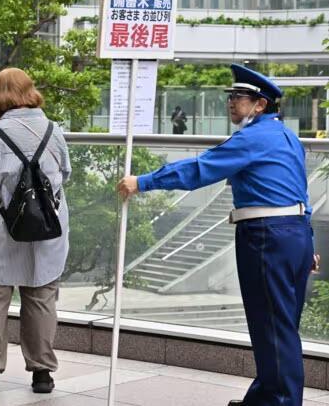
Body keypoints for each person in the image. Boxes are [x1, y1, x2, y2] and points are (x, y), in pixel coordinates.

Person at [117, 64, 313, 406]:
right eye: (231, 96)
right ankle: (264, 397)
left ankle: (281, 401)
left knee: (272, 327)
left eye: (240, 97)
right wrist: (308, 243)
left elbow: (200, 169)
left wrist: (143, 182)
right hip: (294, 235)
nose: (231, 102)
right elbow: (300, 189)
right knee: (279, 325)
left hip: (266, 236)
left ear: (260, 105)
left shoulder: (252, 138)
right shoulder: (287, 137)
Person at [0, 68, 70, 396]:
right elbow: (65, 173)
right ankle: (42, 373)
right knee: (41, 296)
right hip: (46, 229)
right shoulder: (54, 131)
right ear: (30, 91)